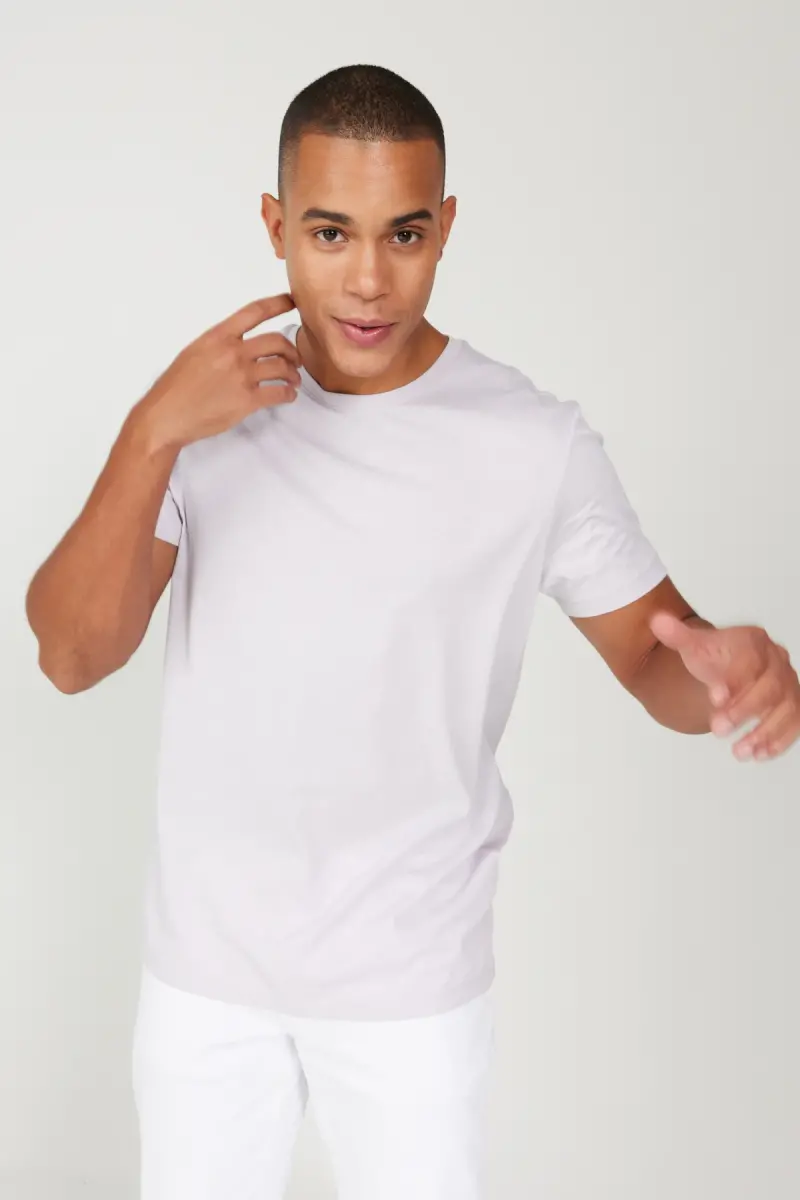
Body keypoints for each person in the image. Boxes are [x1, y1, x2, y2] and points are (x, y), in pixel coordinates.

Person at [25, 63, 799, 1200]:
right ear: (275, 227)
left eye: (404, 234)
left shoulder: (531, 442)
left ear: (445, 227)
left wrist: (739, 675)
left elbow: (656, 656)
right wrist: (149, 433)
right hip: (205, 980)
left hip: (411, 988)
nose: (369, 280)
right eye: (329, 233)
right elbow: (71, 655)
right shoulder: (203, 417)